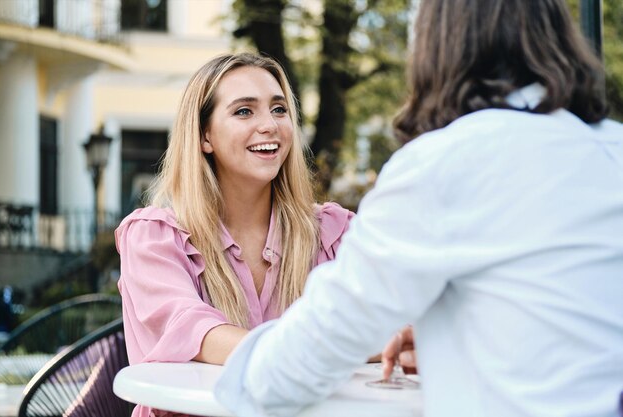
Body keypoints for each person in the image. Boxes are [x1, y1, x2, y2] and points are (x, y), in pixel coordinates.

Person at [213, 1, 623, 416]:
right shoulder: (614, 148)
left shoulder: (447, 164)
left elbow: (310, 352)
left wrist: (248, 377)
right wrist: (444, 339)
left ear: (439, 44)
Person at [114, 53, 353, 417]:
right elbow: (193, 332)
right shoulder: (154, 239)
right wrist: (319, 346)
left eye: (279, 109)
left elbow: (382, 324)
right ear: (204, 135)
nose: (269, 125)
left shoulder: (334, 234)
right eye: (244, 111)